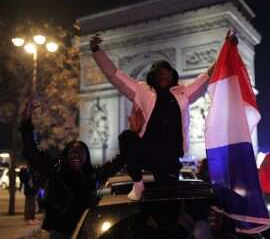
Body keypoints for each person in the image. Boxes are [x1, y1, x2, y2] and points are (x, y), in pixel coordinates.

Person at [90, 32, 237, 201]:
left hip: (169, 156)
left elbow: (207, 75)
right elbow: (114, 75)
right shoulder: (140, 89)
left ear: (173, 75)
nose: (163, 75)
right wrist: (96, 50)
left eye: (166, 72)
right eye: (159, 72)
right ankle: (137, 184)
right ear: (152, 76)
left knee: (168, 206)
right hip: (147, 149)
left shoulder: (184, 92)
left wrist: (228, 48)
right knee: (126, 137)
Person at [20, 98, 142, 238]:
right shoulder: (55, 172)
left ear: (87, 157)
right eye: (72, 151)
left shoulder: (94, 174)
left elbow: (120, 161)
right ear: (65, 156)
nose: (76, 154)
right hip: (60, 233)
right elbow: (32, 153)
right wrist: (26, 123)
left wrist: (133, 133)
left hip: (85, 232)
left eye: (80, 151)